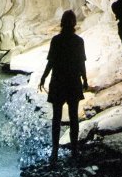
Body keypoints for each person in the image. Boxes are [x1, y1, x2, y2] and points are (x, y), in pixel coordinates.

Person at [37, 9, 88, 160]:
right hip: (73, 81)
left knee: (56, 119)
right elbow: (81, 63)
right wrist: (85, 79)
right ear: (74, 24)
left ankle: (54, 152)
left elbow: (51, 62)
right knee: (73, 118)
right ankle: (74, 151)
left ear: (62, 23)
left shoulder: (56, 40)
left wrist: (43, 77)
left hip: (58, 81)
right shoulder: (79, 41)